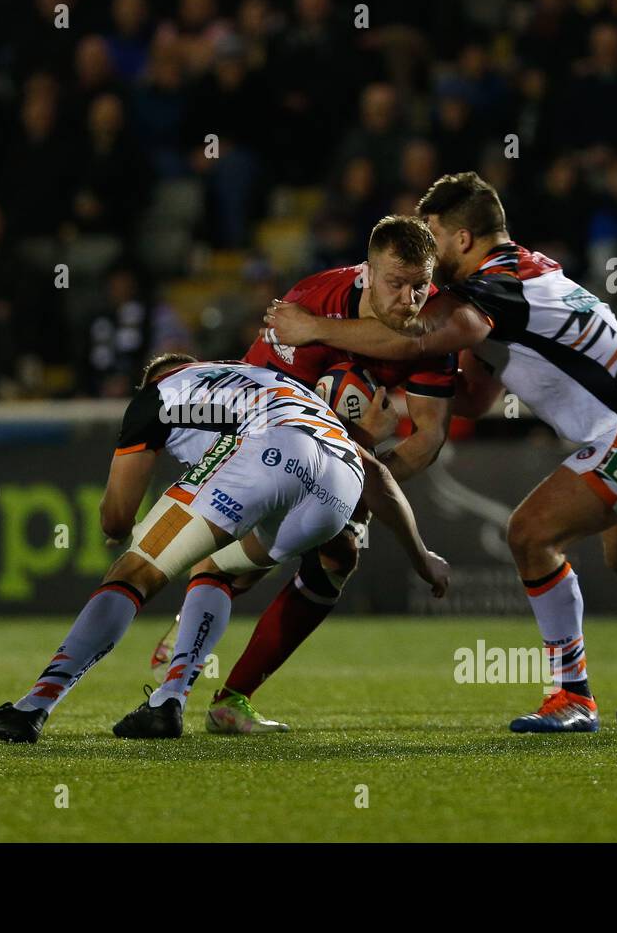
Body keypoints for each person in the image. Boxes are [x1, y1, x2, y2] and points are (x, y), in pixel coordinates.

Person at [266, 171, 617, 733]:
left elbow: (420, 336)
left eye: (431, 236)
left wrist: (314, 329)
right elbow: (473, 397)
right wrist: (401, 403)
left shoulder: (494, 287)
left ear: (462, 241)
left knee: (529, 534)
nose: (425, 254)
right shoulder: (518, 279)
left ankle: (572, 696)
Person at [0, 354, 449, 743]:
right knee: (217, 569)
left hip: (272, 451)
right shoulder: (265, 381)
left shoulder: (157, 395)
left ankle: (32, 709)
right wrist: (421, 558)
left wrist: (123, 523)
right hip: (337, 491)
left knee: (135, 569)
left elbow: (117, 519)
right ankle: (169, 699)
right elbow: (378, 476)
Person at [149, 215, 458, 734]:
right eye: (395, 283)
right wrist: (358, 452)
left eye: (420, 285)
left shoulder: (432, 332)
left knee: (338, 557)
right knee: (242, 562)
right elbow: (265, 413)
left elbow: (428, 435)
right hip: (265, 441)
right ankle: (182, 665)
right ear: (366, 273)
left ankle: (229, 698)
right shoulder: (310, 306)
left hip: (348, 459)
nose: (409, 299)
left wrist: (358, 476)